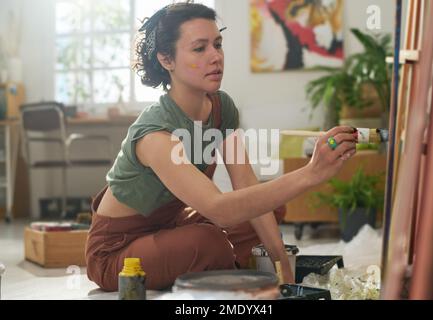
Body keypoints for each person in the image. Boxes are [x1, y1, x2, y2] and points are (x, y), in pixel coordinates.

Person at [85, 2, 357, 291]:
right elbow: (219, 211)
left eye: (218, 44)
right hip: (117, 252)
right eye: (200, 48)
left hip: (171, 226)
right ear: (167, 59)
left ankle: (237, 269)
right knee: (209, 241)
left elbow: (246, 184)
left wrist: (282, 266)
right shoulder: (155, 135)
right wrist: (311, 173)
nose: (216, 56)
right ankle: (228, 268)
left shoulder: (221, 107)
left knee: (264, 211)